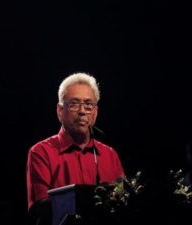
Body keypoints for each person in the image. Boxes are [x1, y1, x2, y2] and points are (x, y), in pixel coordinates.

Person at [26, 72, 125, 224]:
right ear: (60, 111)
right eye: (74, 104)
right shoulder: (41, 152)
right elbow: (41, 211)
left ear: (95, 112)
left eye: (88, 105)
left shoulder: (110, 155)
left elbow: (123, 203)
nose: (82, 111)